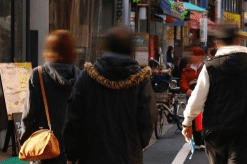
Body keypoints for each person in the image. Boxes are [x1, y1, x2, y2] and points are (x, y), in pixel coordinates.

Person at [182, 23, 247, 164]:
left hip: (215, 130)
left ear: (218, 44)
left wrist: (187, 122)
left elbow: (197, 98)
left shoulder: (210, 67)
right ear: (238, 41)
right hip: (242, 128)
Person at [64, 26, 157, 164]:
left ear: (106, 46)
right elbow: (148, 118)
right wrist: (137, 144)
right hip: (128, 156)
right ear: (130, 48)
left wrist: (72, 154)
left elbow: (74, 119)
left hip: (91, 156)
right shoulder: (140, 80)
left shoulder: (87, 77)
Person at [20, 30, 81, 164]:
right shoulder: (82, 78)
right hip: (71, 154)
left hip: (43, 150)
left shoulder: (38, 75)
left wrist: (25, 142)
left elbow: (28, 116)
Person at [179, 46, 206, 148]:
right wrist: (187, 90)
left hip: (203, 95)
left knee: (204, 117)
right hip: (191, 96)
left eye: (198, 55)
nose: (196, 57)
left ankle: (203, 139)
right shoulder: (187, 69)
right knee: (194, 117)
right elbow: (183, 81)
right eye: (194, 55)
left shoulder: (205, 68)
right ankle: (198, 140)